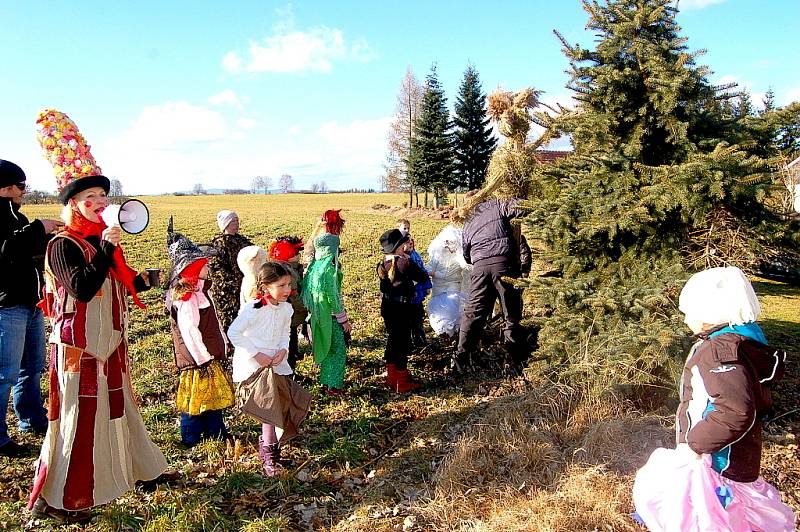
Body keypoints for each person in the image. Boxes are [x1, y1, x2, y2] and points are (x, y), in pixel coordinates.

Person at [28, 108, 167, 523]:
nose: (100, 204)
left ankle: (139, 470)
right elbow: (83, 286)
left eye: (102, 197)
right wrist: (107, 249)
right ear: (74, 204)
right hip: (79, 349)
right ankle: (63, 498)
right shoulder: (62, 245)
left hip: (110, 342)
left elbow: (114, 286)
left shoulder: (101, 243)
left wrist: (148, 279)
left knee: (120, 408)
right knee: (78, 416)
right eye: (91, 199)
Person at [632, 267, 795, 531]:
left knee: (709, 519)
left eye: (690, 313)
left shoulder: (718, 351)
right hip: (738, 457)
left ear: (712, 311)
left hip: (715, 461)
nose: (687, 321)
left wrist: (695, 445)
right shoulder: (746, 340)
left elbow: (734, 410)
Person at [0, 159, 62, 458]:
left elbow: (26, 255)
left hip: (31, 304)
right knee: (5, 374)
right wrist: (38, 228)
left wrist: (49, 239)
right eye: (21, 186)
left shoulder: (18, 218)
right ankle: (0, 438)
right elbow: (6, 250)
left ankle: (31, 419)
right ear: (6, 188)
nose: (24, 191)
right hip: (7, 307)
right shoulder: (11, 222)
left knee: (32, 367)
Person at [228, 261, 310, 476]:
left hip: (276, 363)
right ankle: (269, 458)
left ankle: (269, 444)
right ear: (265, 286)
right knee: (268, 409)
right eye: (281, 285)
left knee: (282, 405)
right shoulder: (253, 310)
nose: (287, 290)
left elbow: (286, 333)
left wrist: (283, 350)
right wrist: (257, 354)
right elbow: (234, 333)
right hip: (254, 367)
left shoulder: (287, 308)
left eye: (288, 285)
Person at [167, 220, 235, 447]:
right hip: (198, 361)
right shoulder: (187, 298)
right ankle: (190, 436)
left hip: (210, 356)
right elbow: (189, 331)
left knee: (212, 396)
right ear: (193, 269)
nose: (209, 268)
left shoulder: (202, 292)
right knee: (195, 399)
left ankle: (216, 431)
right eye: (204, 265)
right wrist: (203, 358)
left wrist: (224, 343)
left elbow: (214, 323)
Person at [453, 195, 529, 373]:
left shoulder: (469, 220)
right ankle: (516, 359)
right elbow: (522, 206)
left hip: (479, 268)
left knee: (473, 312)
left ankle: (461, 357)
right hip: (503, 264)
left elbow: (466, 254)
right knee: (510, 310)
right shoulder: (497, 204)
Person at [301, 210, 351, 395]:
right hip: (331, 318)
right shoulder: (329, 270)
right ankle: (335, 386)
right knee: (338, 352)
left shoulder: (313, 268)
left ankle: (325, 381)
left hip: (317, 316)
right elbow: (334, 297)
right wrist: (343, 320)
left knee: (326, 350)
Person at [377, 229, 430, 392]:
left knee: (393, 342)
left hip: (388, 308)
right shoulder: (404, 263)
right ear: (399, 246)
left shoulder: (382, 265)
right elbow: (422, 276)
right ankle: (402, 382)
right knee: (402, 345)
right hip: (403, 310)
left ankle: (391, 378)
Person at [207, 210, 253, 331]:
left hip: (244, 285)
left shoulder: (242, 241)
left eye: (237, 221)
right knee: (228, 317)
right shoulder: (218, 243)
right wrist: (233, 283)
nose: (237, 224)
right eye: (233, 221)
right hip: (226, 290)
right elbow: (216, 269)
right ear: (225, 224)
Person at [268, 236, 308, 370]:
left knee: (289, 341)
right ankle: (289, 372)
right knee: (289, 343)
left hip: (287, 317)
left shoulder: (288, 268)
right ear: (288, 255)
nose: (299, 255)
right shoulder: (289, 273)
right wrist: (306, 308)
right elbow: (295, 296)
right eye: (296, 253)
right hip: (288, 317)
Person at [426, 225, 470, 338]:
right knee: (439, 308)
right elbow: (429, 268)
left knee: (452, 306)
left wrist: (461, 256)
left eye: (451, 243)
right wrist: (433, 274)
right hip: (439, 287)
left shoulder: (459, 256)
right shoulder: (437, 255)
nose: (448, 246)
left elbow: (465, 266)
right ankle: (443, 330)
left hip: (453, 285)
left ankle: (453, 330)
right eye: (446, 243)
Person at [398, 219, 432, 348]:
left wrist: (427, 287)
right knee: (409, 321)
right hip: (408, 297)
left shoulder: (415, 255)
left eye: (411, 240)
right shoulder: (402, 261)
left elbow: (422, 272)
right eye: (407, 242)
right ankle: (409, 343)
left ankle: (420, 342)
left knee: (418, 319)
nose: (410, 242)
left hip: (417, 295)